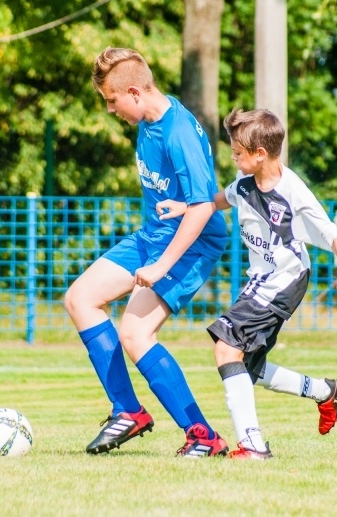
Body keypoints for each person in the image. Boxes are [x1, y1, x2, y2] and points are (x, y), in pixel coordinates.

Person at [157, 108, 337, 460]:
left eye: (238, 153)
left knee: (225, 347)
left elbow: (334, 234)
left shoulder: (292, 191)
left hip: (284, 281)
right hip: (261, 282)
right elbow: (222, 199)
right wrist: (184, 206)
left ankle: (252, 446)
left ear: (260, 154)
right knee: (248, 367)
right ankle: (326, 391)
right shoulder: (245, 184)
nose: (234, 159)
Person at [63, 47, 230, 457]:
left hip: (189, 244)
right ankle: (128, 411)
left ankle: (204, 437)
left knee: (135, 333)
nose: (109, 109)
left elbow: (204, 205)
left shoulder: (179, 133)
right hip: (153, 235)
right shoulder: (149, 120)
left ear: (134, 92)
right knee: (80, 299)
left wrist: (160, 266)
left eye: (111, 101)